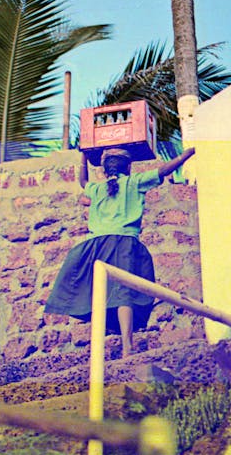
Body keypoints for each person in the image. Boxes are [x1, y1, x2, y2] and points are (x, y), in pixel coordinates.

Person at [44, 146, 195, 357]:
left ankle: (99, 349)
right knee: (124, 293)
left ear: (105, 170)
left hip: (96, 245)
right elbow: (163, 170)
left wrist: (84, 156)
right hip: (125, 244)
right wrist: (186, 155)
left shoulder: (97, 189)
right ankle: (127, 346)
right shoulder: (134, 183)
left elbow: (82, 182)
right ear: (129, 168)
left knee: (97, 292)